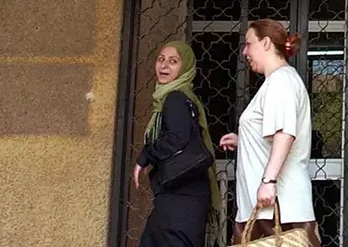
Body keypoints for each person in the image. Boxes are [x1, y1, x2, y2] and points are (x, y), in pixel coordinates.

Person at [219, 19, 320, 247]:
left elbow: (285, 133)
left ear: (265, 43)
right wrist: (245, 140)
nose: (245, 52)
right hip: (272, 207)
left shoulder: (280, 81)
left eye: (248, 44)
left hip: (276, 208)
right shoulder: (280, 80)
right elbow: (275, 133)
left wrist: (269, 181)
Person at [134, 40, 223, 247]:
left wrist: (145, 157)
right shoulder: (179, 98)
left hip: (181, 199)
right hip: (178, 197)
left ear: (185, 67)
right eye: (161, 59)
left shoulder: (175, 98)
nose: (164, 66)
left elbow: (177, 137)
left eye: (173, 61)